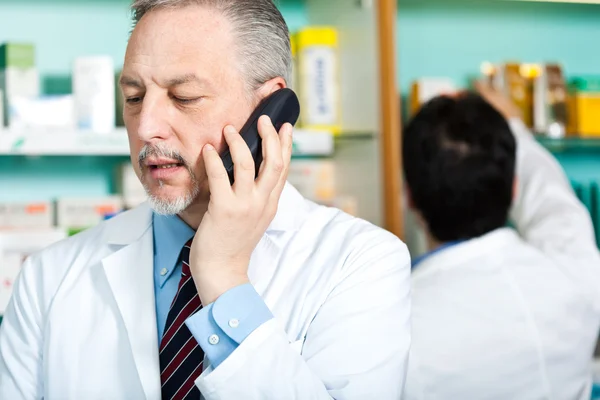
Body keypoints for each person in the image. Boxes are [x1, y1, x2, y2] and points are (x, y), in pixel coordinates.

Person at [0, 1, 411, 399]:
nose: (147, 127)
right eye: (134, 97)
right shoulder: (47, 278)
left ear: (269, 110)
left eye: (184, 97)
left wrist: (224, 277)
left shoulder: (360, 263)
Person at [402, 83, 600, 399]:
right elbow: (553, 201)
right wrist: (514, 126)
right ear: (514, 188)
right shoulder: (574, 272)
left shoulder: (397, 322)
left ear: (409, 197)